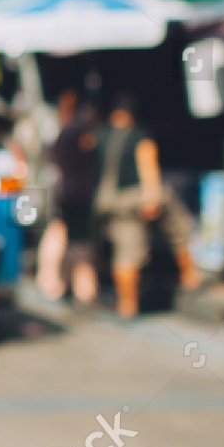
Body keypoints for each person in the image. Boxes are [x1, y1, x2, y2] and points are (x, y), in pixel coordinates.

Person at [92, 93, 201, 318]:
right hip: (137, 196)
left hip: (111, 202)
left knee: (125, 251)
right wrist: (152, 196)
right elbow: (148, 165)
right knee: (179, 227)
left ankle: (127, 305)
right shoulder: (139, 135)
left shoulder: (101, 136)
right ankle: (190, 276)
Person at [36, 90, 99, 304]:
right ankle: (75, 286)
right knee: (74, 239)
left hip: (65, 192)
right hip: (77, 194)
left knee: (67, 237)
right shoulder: (78, 131)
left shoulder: (63, 131)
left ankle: (65, 283)